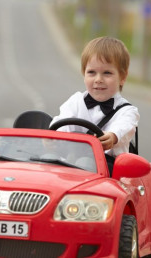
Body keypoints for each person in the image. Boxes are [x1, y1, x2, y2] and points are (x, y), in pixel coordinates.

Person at [50, 36, 140, 174]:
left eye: (107, 73)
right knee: (46, 159)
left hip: (109, 170)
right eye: (91, 72)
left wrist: (112, 136)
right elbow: (62, 122)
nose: (98, 79)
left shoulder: (127, 111)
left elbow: (123, 127)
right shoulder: (75, 101)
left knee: (86, 164)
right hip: (70, 161)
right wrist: (53, 138)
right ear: (84, 74)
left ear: (122, 77)